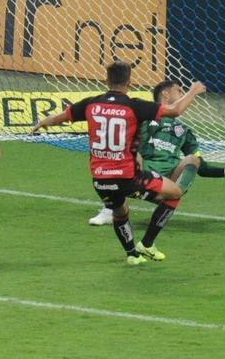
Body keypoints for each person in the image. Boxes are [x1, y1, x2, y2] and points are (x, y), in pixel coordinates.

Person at [32, 60, 205, 265]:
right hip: (128, 177)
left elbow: (62, 117)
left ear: (107, 81)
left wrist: (43, 122)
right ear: (129, 83)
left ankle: (132, 255)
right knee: (174, 193)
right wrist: (193, 91)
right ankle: (147, 244)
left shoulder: (91, 103)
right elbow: (175, 110)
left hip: (99, 179)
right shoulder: (135, 106)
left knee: (120, 211)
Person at [88, 79, 225, 226]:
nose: (182, 93)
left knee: (192, 159)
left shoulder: (184, 131)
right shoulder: (143, 118)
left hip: (167, 183)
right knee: (132, 153)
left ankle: (170, 201)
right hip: (139, 179)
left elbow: (201, 167)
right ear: (165, 94)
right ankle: (110, 208)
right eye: (179, 90)